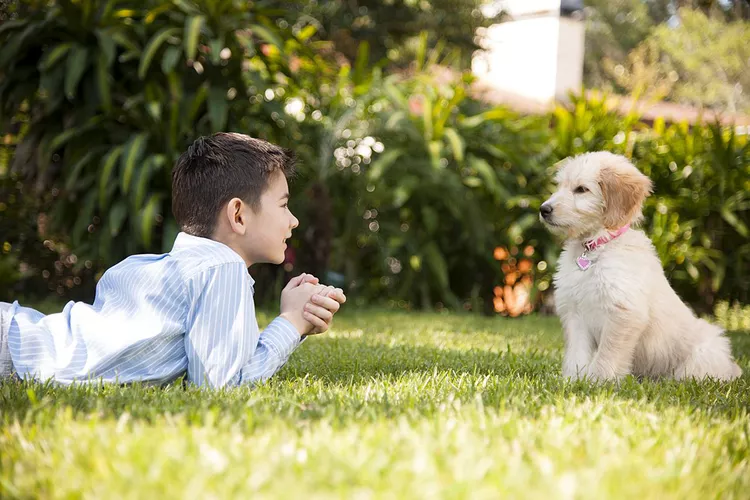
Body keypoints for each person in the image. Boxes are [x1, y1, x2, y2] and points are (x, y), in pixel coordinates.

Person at [0, 132, 346, 388]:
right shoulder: (222, 268)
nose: (293, 220)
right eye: (284, 205)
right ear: (238, 215)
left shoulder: (157, 266)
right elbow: (222, 385)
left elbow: (220, 357)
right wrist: (290, 322)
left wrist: (295, 320)